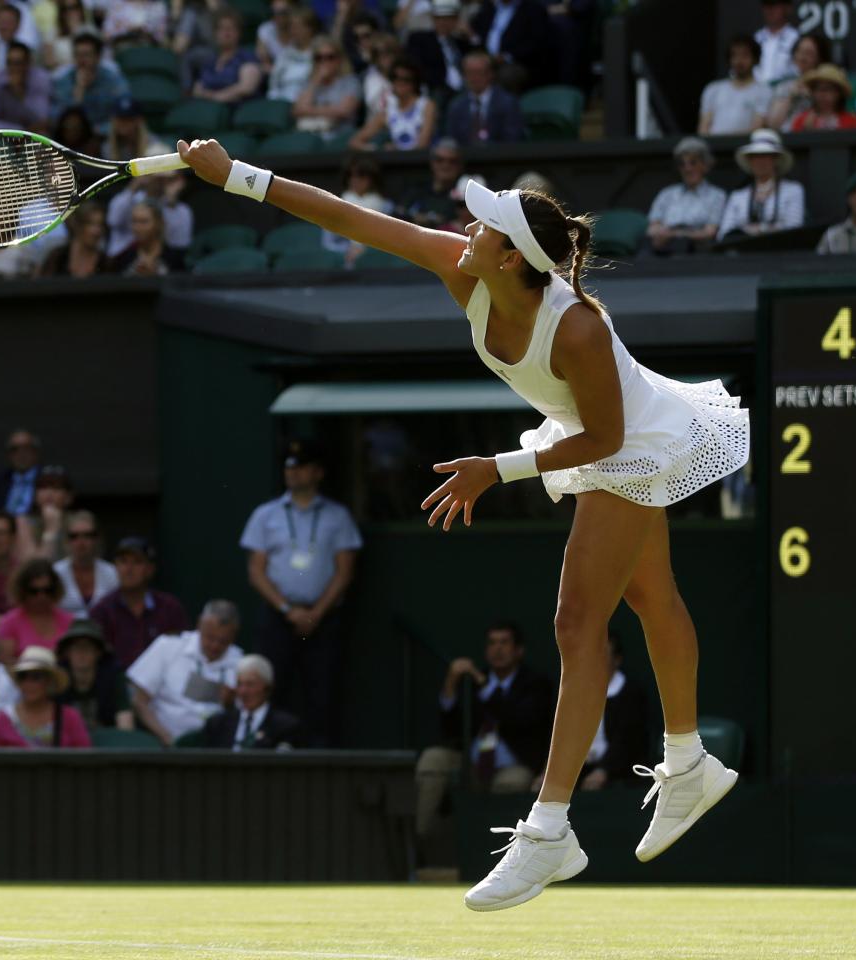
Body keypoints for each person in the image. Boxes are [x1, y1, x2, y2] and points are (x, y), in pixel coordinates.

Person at [173, 133, 748, 908]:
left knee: (579, 622)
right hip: (596, 432)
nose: (466, 229)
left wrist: (497, 468)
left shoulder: (576, 327)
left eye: (484, 226)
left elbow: (609, 440)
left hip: (627, 439)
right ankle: (691, 765)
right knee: (652, 597)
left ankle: (551, 829)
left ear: (511, 259)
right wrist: (236, 176)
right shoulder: (464, 266)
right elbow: (349, 218)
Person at [238, 438, 361, 747]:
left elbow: (344, 571)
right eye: (288, 466)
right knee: (272, 689)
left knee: (323, 695)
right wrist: (287, 610)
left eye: (301, 466)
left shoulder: (337, 516)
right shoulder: (265, 515)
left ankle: (322, 760)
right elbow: (256, 571)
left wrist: (316, 613)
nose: (292, 472)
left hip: (323, 619)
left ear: (318, 472)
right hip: (278, 617)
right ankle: (269, 753)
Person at [415, 622, 556, 836]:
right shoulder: (473, 681)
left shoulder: (535, 683)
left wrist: (485, 686)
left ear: (519, 650)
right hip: (474, 762)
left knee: (510, 783)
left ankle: (497, 847)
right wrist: (451, 684)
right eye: (492, 643)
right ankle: (421, 837)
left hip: (515, 764)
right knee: (432, 759)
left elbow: (518, 719)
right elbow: (450, 728)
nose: (497, 649)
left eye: (504, 643)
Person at [127, 600, 244, 746]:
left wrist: (230, 704)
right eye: (210, 637)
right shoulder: (168, 646)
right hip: (164, 743)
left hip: (216, 748)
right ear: (199, 625)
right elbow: (138, 701)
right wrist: (168, 740)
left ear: (234, 636)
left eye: (223, 641)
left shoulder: (242, 663)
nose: (215, 645)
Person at [87, 536, 187, 669]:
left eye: (137, 562)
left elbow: (181, 655)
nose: (129, 569)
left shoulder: (170, 609)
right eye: (123, 561)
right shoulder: (101, 611)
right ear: (116, 567)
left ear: (150, 569)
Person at [577, 635, 651, 790]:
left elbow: (627, 739)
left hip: (619, 771)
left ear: (617, 660)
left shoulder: (630, 693)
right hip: (581, 769)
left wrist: (604, 770)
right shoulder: (576, 693)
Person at [0, 644, 91, 747]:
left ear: (49, 681)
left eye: (36, 677)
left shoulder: (70, 718)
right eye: (23, 676)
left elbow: (85, 756)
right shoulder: (1, 720)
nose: (28, 683)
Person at [198, 653, 305, 750]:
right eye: (239, 684)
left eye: (250, 684)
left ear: (267, 687)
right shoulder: (217, 725)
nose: (243, 692)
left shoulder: (285, 727)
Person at [716, 129, 805, 242]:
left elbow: (795, 229)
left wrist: (761, 230)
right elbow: (724, 234)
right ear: (749, 161)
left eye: (765, 155)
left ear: (776, 159)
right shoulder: (738, 196)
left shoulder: (793, 190)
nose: (760, 161)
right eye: (755, 156)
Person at [645, 137, 726, 256]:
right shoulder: (666, 194)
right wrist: (660, 233)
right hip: (662, 249)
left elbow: (710, 232)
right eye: (682, 164)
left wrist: (677, 234)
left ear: (705, 165)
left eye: (693, 162)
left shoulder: (717, 195)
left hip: (697, 252)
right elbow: (651, 228)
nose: (687, 168)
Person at [53, 618, 133, 730]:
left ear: (98, 652)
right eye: (76, 648)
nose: (81, 653)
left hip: (107, 737)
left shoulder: (114, 676)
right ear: (67, 653)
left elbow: (124, 716)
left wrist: (123, 738)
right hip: (68, 738)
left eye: (87, 647)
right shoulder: (57, 678)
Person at [0, 557, 73, 664]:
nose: (41, 596)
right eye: (34, 591)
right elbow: (6, 661)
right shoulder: (9, 623)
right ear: (22, 591)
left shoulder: (69, 621)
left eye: (47, 590)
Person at [347, 57, 435, 151]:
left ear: (415, 82)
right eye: (395, 78)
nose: (399, 83)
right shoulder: (387, 112)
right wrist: (377, 149)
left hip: (419, 158)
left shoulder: (426, 106)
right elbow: (355, 141)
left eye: (405, 79)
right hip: (395, 158)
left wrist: (398, 149)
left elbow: (423, 143)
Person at [51, 32, 129, 131]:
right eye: (77, 55)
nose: (81, 60)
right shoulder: (64, 81)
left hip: (105, 135)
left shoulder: (112, 79)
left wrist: (98, 131)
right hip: (74, 136)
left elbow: (124, 112)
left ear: (98, 57)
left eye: (86, 55)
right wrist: (79, 90)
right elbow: (57, 118)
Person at [444, 51, 523, 145]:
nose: (474, 78)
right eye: (469, 73)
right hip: (465, 154)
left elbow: (513, 140)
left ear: (490, 74)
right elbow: (452, 140)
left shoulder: (507, 103)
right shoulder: (457, 106)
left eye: (479, 72)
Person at [292, 36, 361, 140]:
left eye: (330, 57)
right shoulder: (309, 82)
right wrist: (315, 83)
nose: (324, 62)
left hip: (339, 138)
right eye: (319, 58)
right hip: (310, 137)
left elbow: (345, 111)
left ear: (339, 59)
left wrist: (308, 110)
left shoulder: (351, 82)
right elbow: (297, 110)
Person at [0, 41, 50, 132]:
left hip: (33, 136)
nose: (13, 68)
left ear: (28, 63)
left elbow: (41, 120)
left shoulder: (40, 78)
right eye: (9, 63)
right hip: (2, 136)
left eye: (18, 63)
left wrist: (19, 93)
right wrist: (19, 131)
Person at [192, 11, 263, 104]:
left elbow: (247, 87)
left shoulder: (247, 57)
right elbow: (197, 90)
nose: (226, 32)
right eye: (221, 28)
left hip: (237, 109)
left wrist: (215, 97)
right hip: (209, 109)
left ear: (238, 32)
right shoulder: (210, 61)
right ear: (215, 33)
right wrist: (213, 97)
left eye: (230, 28)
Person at [762, 31, 824, 130]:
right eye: (799, 51)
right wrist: (790, 97)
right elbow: (773, 124)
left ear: (820, 57)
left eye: (809, 53)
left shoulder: (826, 86)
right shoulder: (785, 86)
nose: (802, 57)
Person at [400, 139, 465, 230]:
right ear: (432, 162)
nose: (445, 165)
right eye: (439, 160)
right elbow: (399, 213)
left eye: (452, 161)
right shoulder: (417, 191)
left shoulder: (463, 195)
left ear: (459, 165)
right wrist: (414, 218)